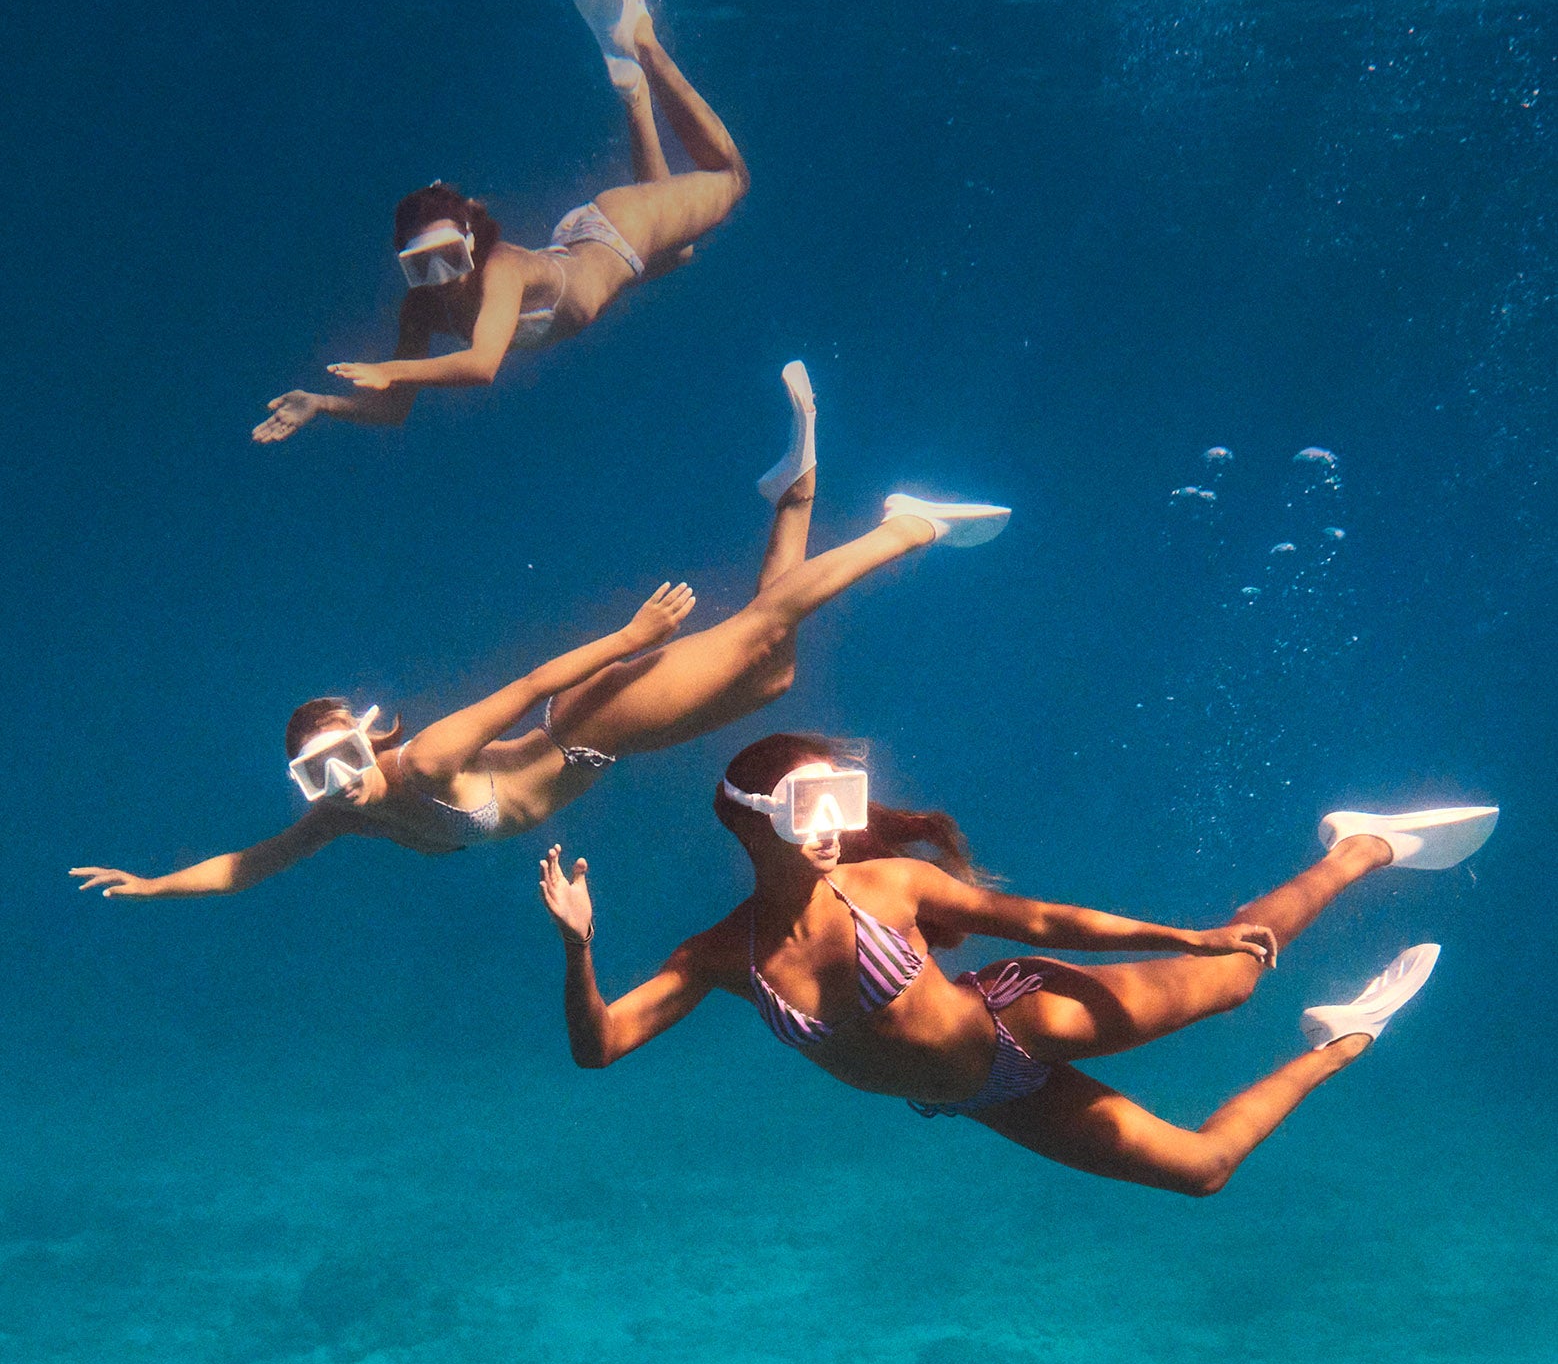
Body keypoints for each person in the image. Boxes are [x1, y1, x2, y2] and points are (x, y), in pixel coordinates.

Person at [72, 379, 1011, 897]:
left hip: (592, 721)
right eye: (318, 775)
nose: (340, 780)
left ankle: (908, 526)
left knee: (763, 629)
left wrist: (628, 635)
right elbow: (253, 864)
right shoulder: (343, 815)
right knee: (772, 671)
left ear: (372, 735)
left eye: (344, 756)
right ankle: (794, 493)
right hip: (608, 741)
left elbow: (525, 687)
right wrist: (152, 886)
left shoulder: (430, 757)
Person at [537, 733, 1498, 1197]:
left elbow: (1039, 917)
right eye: (805, 808)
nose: (832, 826)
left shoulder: (888, 886)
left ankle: (1360, 848)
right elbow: (601, 1047)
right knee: (1203, 1171)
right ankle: (1344, 1038)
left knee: (1241, 973)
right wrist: (580, 949)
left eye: (840, 799)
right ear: (753, 822)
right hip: (981, 1098)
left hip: (1023, 1019)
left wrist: (1186, 938)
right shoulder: (721, 956)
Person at [254, 0, 747, 443]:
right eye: (421, 267)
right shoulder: (421, 309)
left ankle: (642, 40)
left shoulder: (500, 271)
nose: (442, 278)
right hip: (579, 249)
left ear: (471, 244)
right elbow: (394, 411)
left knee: (732, 178)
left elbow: (483, 365)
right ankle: (632, 93)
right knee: (679, 251)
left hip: (617, 232)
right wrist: (321, 404)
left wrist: (393, 369)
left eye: (449, 256)